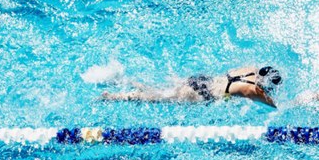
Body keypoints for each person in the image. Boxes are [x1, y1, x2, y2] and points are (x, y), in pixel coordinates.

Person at [100, 65, 282, 108]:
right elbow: (276, 107)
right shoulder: (252, 90)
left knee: (159, 89)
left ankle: (121, 80)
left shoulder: (251, 68)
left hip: (200, 80)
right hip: (200, 94)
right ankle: (113, 96)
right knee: (157, 97)